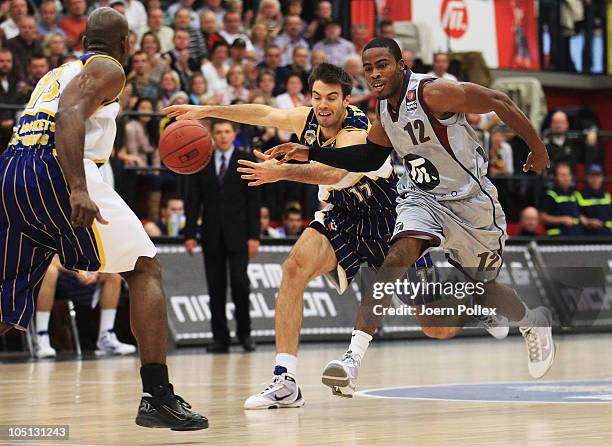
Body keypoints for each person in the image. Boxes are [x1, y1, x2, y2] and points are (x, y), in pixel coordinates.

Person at [266, 38, 556, 395]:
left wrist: (538, 149)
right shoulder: (385, 111)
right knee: (396, 256)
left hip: (471, 204)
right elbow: (368, 158)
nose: (374, 73)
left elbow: (498, 101)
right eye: (368, 67)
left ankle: (532, 322)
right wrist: (309, 152)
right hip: (422, 199)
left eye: (382, 65)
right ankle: (352, 360)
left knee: (487, 289)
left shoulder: (433, 92)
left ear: (402, 65)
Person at [165, 63, 463, 409]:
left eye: (332, 98)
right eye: (317, 97)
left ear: (346, 100)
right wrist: (207, 110)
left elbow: (333, 170)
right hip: (342, 215)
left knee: (435, 326)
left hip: (389, 221)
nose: (323, 105)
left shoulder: (357, 129)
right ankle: (285, 381)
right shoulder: (308, 120)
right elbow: (264, 113)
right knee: (293, 269)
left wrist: (281, 172)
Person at [0, 7, 207, 430]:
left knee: (6, 302)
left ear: (80, 43)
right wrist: (77, 186)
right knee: (145, 267)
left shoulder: (56, 72)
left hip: (11, 170)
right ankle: (157, 396)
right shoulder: (109, 66)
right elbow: (69, 116)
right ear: (128, 44)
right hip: (55, 167)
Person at [182, 120, 261, 354]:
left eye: (227, 131)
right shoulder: (202, 159)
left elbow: (254, 202)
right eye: (219, 132)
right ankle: (220, 338)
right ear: (212, 135)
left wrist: (254, 236)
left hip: (239, 234)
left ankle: (245, 334)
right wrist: (189, 234)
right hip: (211, 234)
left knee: (240, 283)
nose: (223, 136)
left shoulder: (246, 159)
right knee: (215, 288)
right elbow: (193, 200)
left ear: (234, 133)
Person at [34, 256, 136, 358]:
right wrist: (77, 270)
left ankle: (106, 337)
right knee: (48, 270)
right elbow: (45, 258)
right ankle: (41, 337)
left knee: (113, 273)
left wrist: (96, 269)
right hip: (58, 276)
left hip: (87, 276)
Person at [540, 163, 584, 236]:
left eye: (567, 175)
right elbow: (542, 217)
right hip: (557, 238)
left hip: (575, 235)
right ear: (556, 177)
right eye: (562, 175)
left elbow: (577, 214)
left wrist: (582, 218)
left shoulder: (574, 194)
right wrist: (562, 220)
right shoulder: (550, 195)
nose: (565, 178)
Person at [575, 164, 611, 236]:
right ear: (587, 178)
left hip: (607, 237)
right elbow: (575, 215)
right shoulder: (579, 196)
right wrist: (588, 222)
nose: (595, 180)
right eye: (592, 176)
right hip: (587, 238)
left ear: (602, 178)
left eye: (598, 176)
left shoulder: (607, 196)